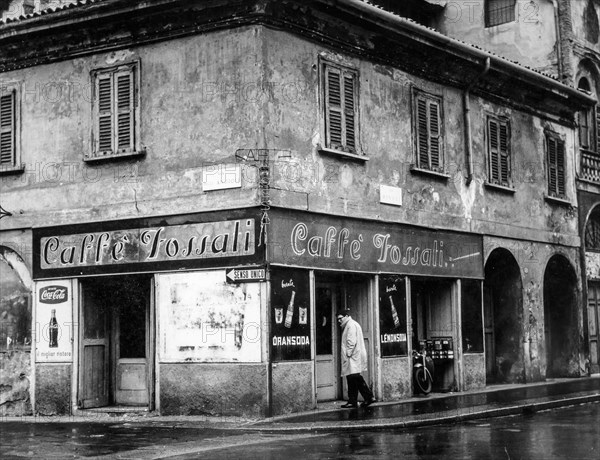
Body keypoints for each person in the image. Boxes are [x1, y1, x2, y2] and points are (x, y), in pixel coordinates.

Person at [337, 308, 376, 408]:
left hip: (352, 357)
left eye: (340, 318)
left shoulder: (350, 325)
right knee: (352, 377)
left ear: (346, 316)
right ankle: (354, 400)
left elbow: (351, 342)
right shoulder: (351, 324)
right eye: (338, 319)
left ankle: (367, 397)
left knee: (354, 377)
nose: (339, 321)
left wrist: (348, 354)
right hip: (354, 356)